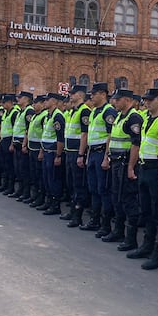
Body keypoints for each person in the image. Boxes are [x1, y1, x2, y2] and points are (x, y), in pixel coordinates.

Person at [127, 88, 158, 271]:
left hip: (157, 171)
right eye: (145, 99)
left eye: (150, 100)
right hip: (144, 169)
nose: (146, 102)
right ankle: (147, 246)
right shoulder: (147, 119)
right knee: (146, 210)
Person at [104, 88, 143, 247]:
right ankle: (118, 231)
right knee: (117, 197)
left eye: (118, 99)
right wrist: (107, 156)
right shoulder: (120, 116)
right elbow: (112, 138)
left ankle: (131, 239)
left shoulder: (133, 118)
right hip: (115, 161)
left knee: (128, 199)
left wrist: (131, 167)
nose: (114, 102)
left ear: (127, 100)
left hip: (125, 163)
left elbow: (136, 144)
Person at [85, 82, 118, 236]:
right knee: (93, 188)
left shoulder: (108, 111)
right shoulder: (94, 111)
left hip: (101, 154)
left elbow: (111, 135)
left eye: (94, 93)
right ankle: (95, 220)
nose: (91, 96)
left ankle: (105, 225)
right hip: (92, 153)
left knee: (103, 189)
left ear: (103, 94)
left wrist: (106, 157)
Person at [63, 85, 91, 227]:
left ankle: (77, 215)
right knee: (71, 184)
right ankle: (73, 210)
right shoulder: (73, 111)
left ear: (80, 95)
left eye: (73, 94)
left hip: (76, 152)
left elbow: (84, 134)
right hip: (69, 150)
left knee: (78, 184)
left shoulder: (84, 111)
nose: (70, 96)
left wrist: (81, 154)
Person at [39, 93, 66, 215]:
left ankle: (55, 204)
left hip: (53, 152)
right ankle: (49, 201)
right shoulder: (48, 116)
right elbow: (44, 134)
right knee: (46, 178)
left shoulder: (58, 116)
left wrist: (58, 155)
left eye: (47, 100)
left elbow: (60, 138)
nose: (44, 102)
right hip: (46, 150)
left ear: (54, 102)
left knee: (53, 178)